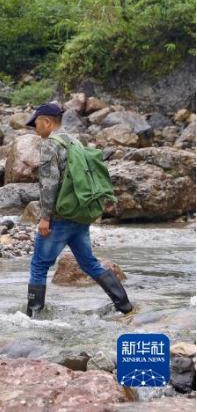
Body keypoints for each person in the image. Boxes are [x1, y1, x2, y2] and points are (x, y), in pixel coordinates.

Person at [25, 102, 133, 316]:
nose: (35, 128)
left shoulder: (49, 145)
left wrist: (45, 218)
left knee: (39, 266)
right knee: (89, 263)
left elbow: (49, 184)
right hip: (80, 214)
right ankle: (125, 306)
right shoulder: (74, 141)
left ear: (47, 122)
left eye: (36, 123)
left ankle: (33, 318)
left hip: (60, 217)